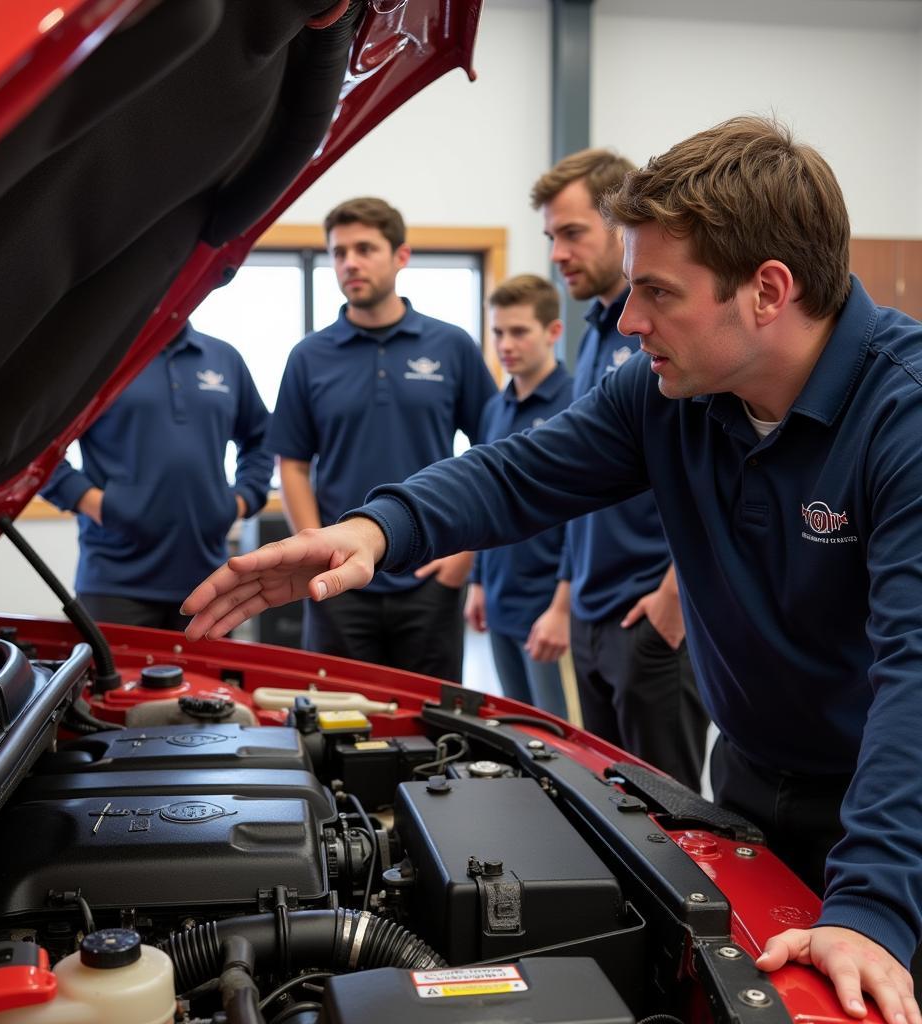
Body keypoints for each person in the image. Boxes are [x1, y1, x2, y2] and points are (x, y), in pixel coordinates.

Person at [182, 117, 922, 1024]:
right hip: (756, 782)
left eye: (656, 291)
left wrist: (877, 909)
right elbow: (521, 470)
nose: (626, 319)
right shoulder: (667, 395)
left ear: (768, 290)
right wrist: (378, 530)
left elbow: (914, 677)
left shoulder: (905, 420)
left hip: (894, 815)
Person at [531, 148, 707, 791]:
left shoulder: (670, 339)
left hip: (649, 615)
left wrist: (672, 596)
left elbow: (709, 472)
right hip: (593, 612)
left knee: (673, 810)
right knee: (615, 801)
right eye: (551, 237)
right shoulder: (597, 333)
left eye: (572, 233)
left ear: (621, 227)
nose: (557, 252)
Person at [266, 196, 496, 681]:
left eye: (365, 248)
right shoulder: (308, 356)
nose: (350, 262)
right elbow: (293, 465)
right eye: (339, 252)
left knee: (432, 729)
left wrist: (465, 558)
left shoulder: (451, 345)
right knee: (339, 726)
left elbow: (492, 451)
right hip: (338, 579)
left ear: (400, 256)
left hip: (431, 572)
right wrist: (316, 555)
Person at [41, 321, 272, 630]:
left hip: (209, 578)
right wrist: (97, 504)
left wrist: (240, 501)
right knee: (116, 679)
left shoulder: (224, 358)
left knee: (206, 680)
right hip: (115, 581)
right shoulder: (97, 357)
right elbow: (37, 448)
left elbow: (262, 438)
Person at [464, 274, 571, 717]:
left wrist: (562, 608)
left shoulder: (579, 402)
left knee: (561, 737)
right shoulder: (495, 408)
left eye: (519, 331)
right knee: (521, 732)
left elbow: (585, 514)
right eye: (498, 332)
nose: (506, 344)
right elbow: (489, 502)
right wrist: (477, 582)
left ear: (553, 332)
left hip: (549, 605)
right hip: (502, 599)